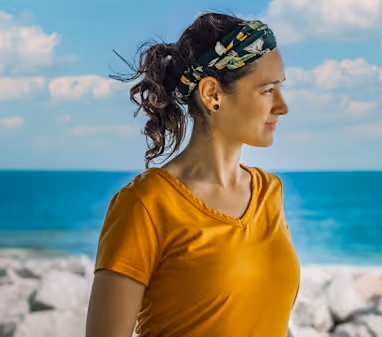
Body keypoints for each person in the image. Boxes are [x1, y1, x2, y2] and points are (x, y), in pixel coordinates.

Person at [85, 12, 300, 337]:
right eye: (267, 90)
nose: (282, 106)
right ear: (212, 94)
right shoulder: (146, 205)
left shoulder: (270, 192)